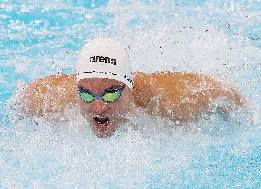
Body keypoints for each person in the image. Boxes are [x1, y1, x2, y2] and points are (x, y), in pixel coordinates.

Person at [16, 38, 245, 138]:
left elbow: (225, 93)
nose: (99, 106)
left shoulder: (169, 101)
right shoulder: (50, 97)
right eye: (86, 94)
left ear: (129, 87)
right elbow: (21, 101)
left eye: (111, 93)